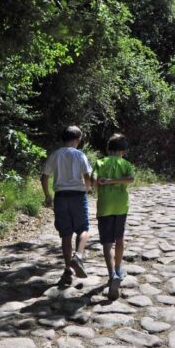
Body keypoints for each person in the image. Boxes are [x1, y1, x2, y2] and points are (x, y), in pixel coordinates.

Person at [41, 125, 92, 286]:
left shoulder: (55, 155)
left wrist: (48, 196)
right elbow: (87, 175)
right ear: (77, 140)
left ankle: (68, 269)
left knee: (66, 234)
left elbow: (44, 177)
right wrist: (88, 188)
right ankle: (78, 256)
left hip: (61, 197)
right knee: (83, 229)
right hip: (78, 195)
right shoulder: (80, 154)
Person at [92, 133, 135, 300]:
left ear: (108, 149)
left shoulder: (100, 162)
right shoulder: (125, 163)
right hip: (121, 206)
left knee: (107, 243)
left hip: (104, 207)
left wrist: (102, 182)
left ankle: (112, 275)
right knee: (119, 238)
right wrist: (113, 181)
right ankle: (118, 268)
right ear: (123, 151)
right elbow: (130, 179)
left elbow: (94, 181)